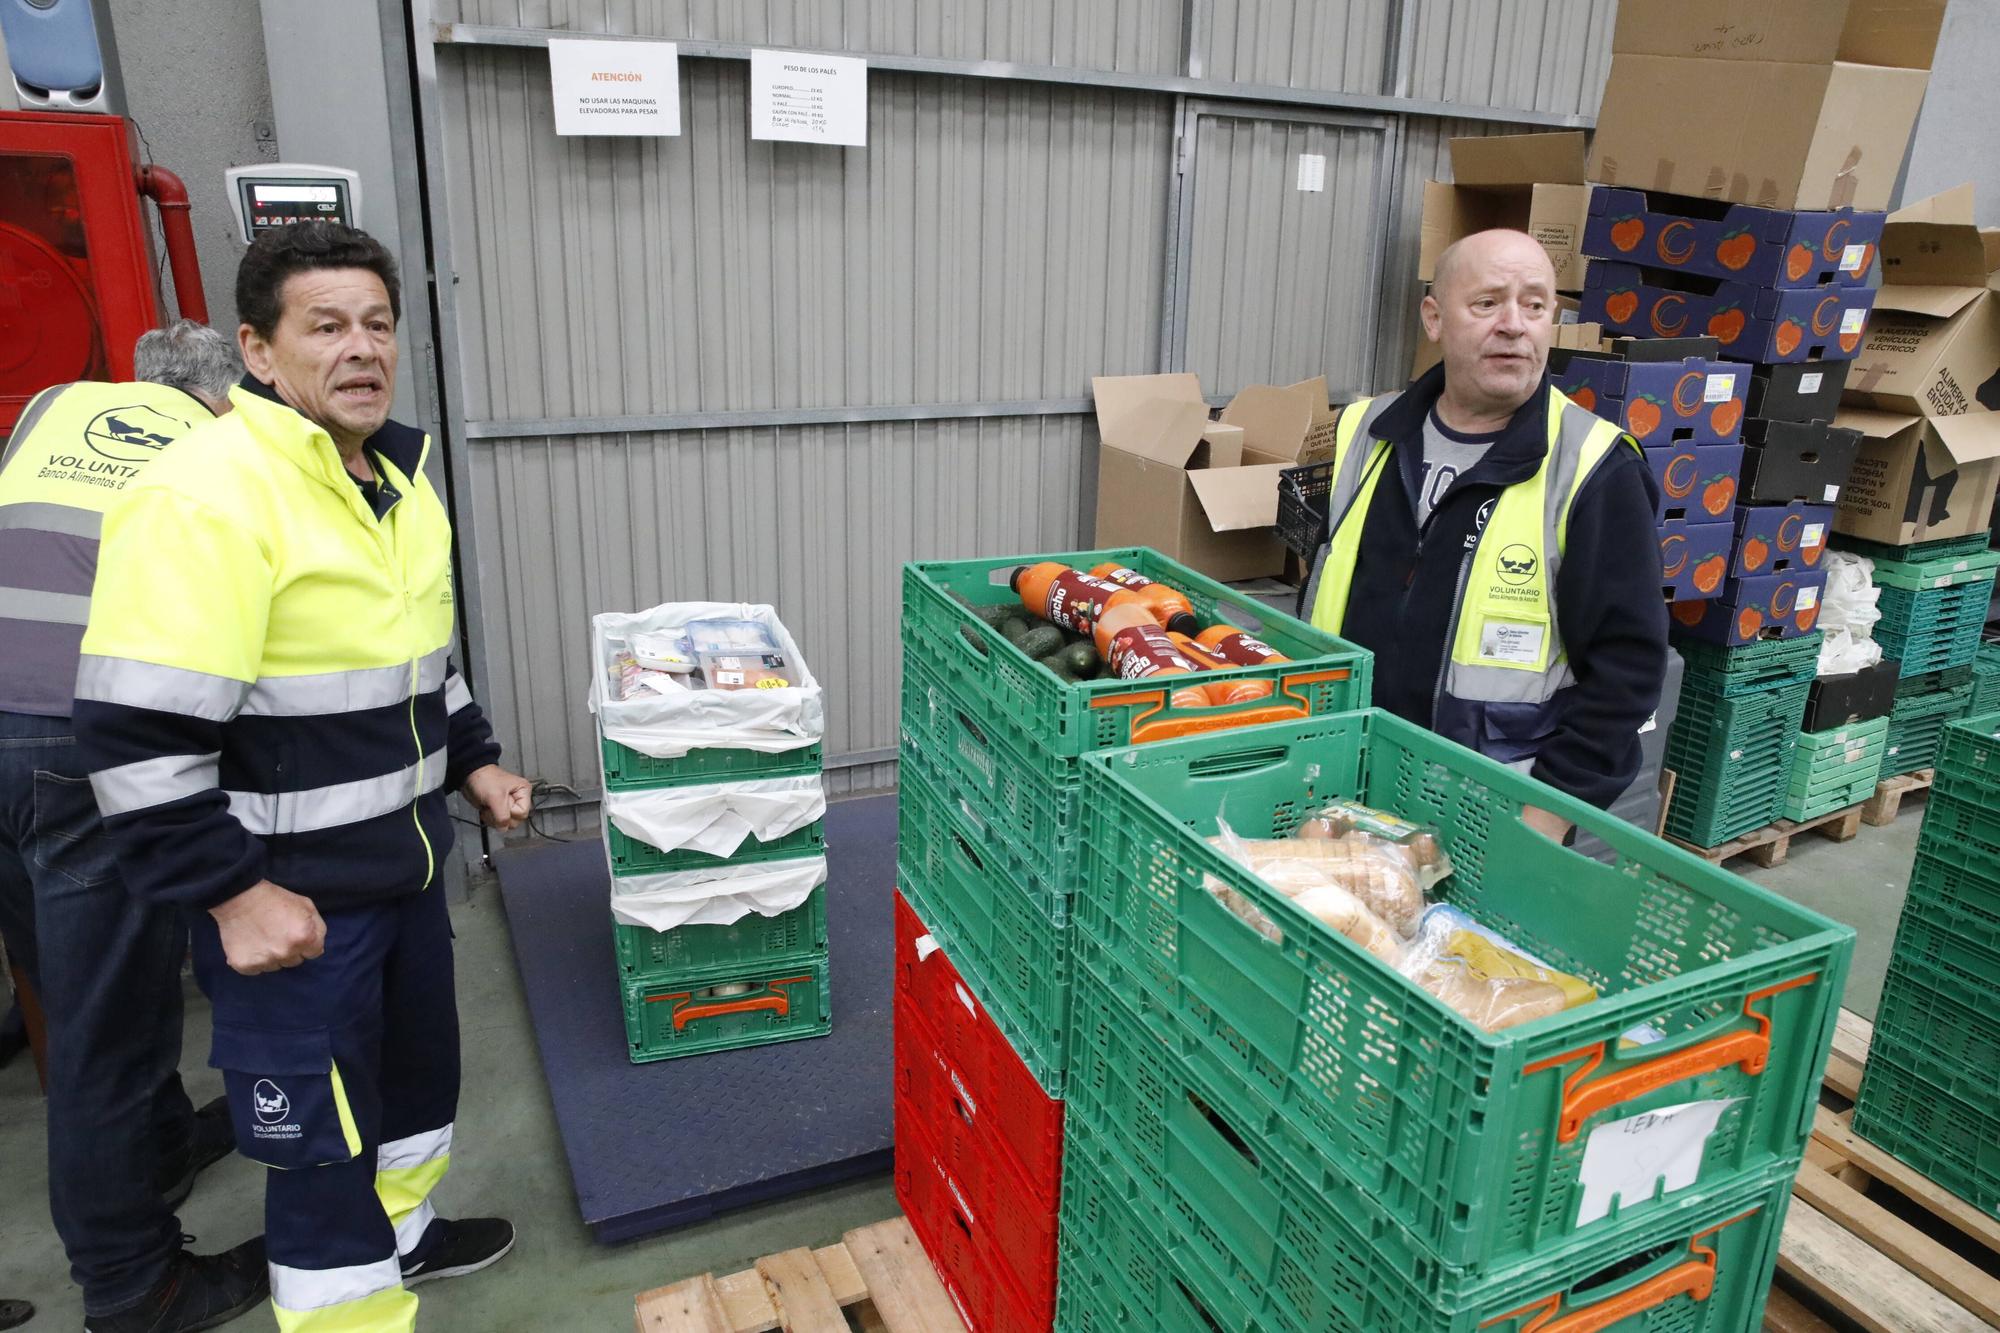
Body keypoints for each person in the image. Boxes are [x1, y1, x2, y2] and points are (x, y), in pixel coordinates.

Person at [74, 222, 534, 1332]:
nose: (360, 348)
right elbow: (135, 734)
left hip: (406, 870)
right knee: (320, 1150)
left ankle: (409, 1237)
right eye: (324, 326)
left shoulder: (396, 477)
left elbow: (419, 662)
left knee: (416, 1096)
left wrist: (475, 763)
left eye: (376, 324)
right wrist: (234, 894)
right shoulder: (208, 497)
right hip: (294, 904)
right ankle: (348, 1312)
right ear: (259, 352)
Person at [0, 321, 267, 1333]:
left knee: (66, 991)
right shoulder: (214, 448)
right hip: (78, 732)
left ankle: (161, 1142)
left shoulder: (46, 407)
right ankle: (134, 1283)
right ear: (226, 394)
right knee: (111, 1020)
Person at [1305, 229, 1667, 839]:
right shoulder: (1365, 432)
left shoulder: (1593, 466)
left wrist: (1544, 823)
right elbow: (1321, 594)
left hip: (1492, 816)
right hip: (1341, 787)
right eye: (1487, 303)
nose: (1514, 325)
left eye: (1535, 304)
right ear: (1434, 317)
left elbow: (1626, 676)